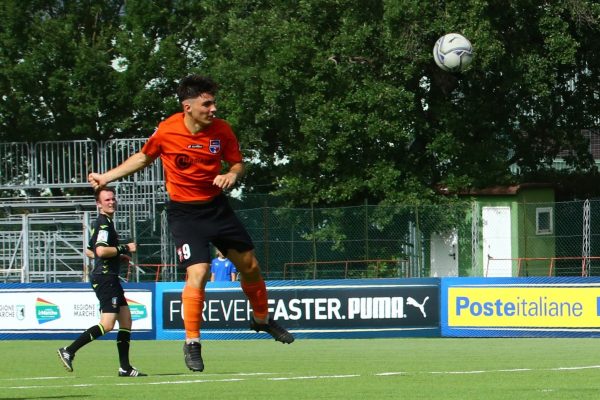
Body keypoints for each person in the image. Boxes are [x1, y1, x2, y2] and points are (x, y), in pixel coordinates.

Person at [88, 74, 294, 373]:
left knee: (250, 266)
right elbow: (143, 158)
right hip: (185, 215)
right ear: (187, 106)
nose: (213, 109)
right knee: (199, 272)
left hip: (217, 209)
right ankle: (192, 342)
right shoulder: (168, 130)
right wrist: (106, 177)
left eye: (213, 103)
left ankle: (261, 321)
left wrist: (232, 175)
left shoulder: (222, 130)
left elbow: (237, 163)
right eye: (206, 103)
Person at [57, 187, 146, 377]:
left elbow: (90, 250)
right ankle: (69, 350)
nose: (111, 202)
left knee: (126, 320)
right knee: (107, 324)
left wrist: (115, 257)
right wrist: (125, 248)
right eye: (107, 200)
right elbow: (100, 252)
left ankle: (125, 367)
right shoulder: (104, 224)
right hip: (106, 279)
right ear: (99, 204)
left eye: (113, 199)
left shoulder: (104, 223)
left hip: (108, 277)